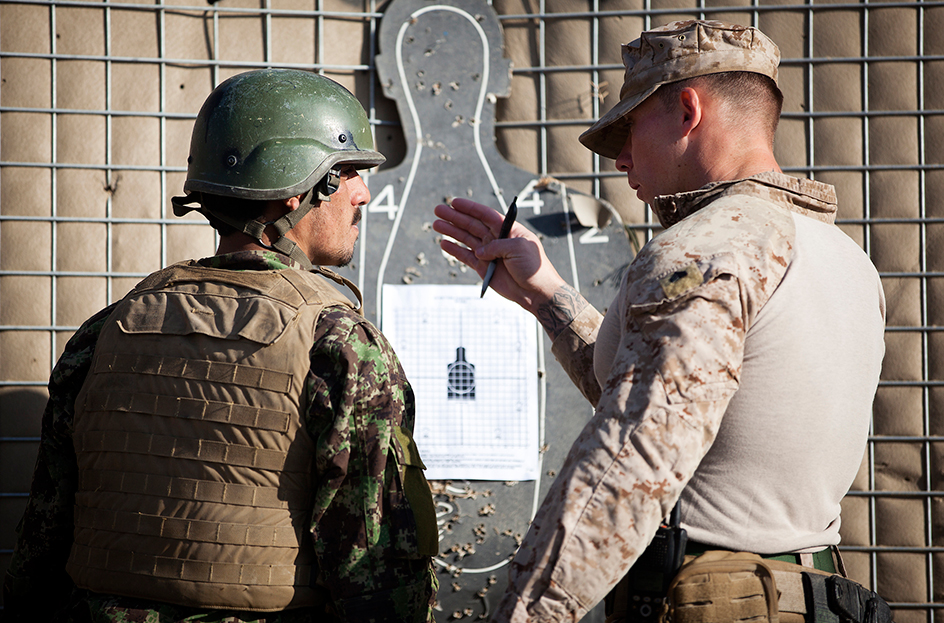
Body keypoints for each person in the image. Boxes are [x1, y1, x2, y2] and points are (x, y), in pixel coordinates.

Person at [433, 20, 888, 623]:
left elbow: (634, 453)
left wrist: (522, 614)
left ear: (688, 110)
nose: (620, 157)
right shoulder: (843, 257)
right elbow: (696, 409)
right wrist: (547, 294)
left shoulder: (706, 247)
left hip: (713, 598)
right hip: (810, 593)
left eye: (629, 127)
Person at [4, 68, 439, 623]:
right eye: (348, 170)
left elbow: (42, 539)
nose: (363, 192)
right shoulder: (338, 344)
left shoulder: (107, 330)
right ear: (297, 189)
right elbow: (378, 565)